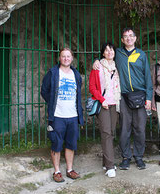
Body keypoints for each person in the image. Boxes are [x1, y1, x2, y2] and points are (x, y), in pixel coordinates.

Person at [93, 27, 153, 170]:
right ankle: (126, 157)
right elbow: (106, 57)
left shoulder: (141, 54)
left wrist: (149, 98)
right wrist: (96, 60)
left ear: (135, 38)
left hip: (140, 95)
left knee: (140, 129)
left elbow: (148, 77)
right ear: (122, 40)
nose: (128, 38)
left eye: (131, 36)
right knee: (125, 129)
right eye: (125, 36)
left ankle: (138, 156)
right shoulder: (118, 53)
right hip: (124, 97)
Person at [41, 48, 84, 183]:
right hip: (58, 115)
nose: (66, 59)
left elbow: (78, 91)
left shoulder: (76, 74)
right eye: (63, 56)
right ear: (59, 58)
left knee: (71, 144)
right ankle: (57, 171)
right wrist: (53, 102)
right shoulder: (53, 73)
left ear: (72, 59)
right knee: (56, 143)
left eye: (68, 56)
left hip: (72, 115)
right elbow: (44, 90)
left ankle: (70, 169)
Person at [89, 42, 121, 178]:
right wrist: (102, 100)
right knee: (106, 132)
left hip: (116, 103)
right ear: (103, 53)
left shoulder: (118, 66)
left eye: (111, 50)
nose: (109, 52)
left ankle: (105, 161)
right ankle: (110, 166)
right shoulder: (97, 67)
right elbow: (92, 87)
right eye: (106, 50)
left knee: (111, 132)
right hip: (103, 104)